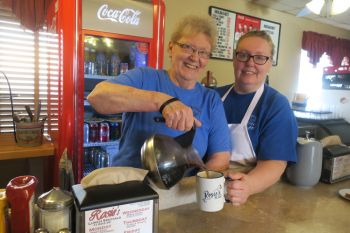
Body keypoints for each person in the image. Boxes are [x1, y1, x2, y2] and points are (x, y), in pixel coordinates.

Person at [87, 15, 231, 172]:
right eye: (187, 47)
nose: (195, 57)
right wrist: (162, 101)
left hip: (184, 191)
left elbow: (220, 159)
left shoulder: (210, 100)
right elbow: (97, 97)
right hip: (132, 186)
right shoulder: (144, 77)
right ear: (171, 48)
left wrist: (197, 188)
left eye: (203, 52)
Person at [216, 30, 298, 205]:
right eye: (243, 55)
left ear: (270, 63)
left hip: (250, 195)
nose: (250, 63)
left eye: (260, 57)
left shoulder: (277, 106)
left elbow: (275, 163)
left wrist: (249, 186)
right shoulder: (213, 97)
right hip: (205, 186)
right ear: (234, 59)